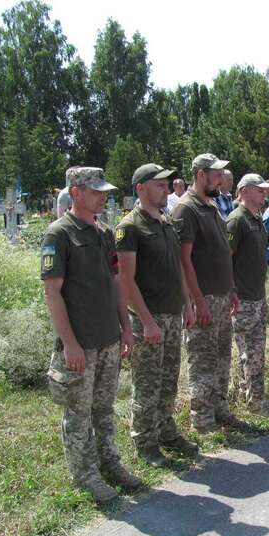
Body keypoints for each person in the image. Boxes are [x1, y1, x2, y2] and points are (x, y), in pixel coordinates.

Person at [41, 167, 140, 503]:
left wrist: (125, 326)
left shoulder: (103, 233)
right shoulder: (60, 234)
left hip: (108, 338)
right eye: (96, 191)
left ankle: (110, 463)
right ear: (77, 192)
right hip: (81, 342)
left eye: (104, 191)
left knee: (103, 409)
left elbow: (115, 282)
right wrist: (69, 343)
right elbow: (52, 293)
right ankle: (85, 476)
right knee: (78, 413)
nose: (103, 196)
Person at [115, 164, 199, 467]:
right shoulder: (130, 226)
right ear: (141, 188)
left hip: (172, 314)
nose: (166, 189)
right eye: (159, 185)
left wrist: (187, 303)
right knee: (147, 383)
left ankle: (166, 431)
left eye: (167, 185)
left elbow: (177, 265)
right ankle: (145, 442)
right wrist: (147, 321)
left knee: (168, 380)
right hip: (146, 318)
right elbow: (126, 279)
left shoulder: (164, 221)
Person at [172, 154, 243, 433]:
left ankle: (220, 409)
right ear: (201, 174)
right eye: (215, 174)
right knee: (202, 358)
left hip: (222, 296)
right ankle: (202, 418)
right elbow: (183, 259)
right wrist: (197, 300)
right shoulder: (185, 209)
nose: (221, 179)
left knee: (222, 355)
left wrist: (232, 289)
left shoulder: (210, 205)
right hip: (204, 298)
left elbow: (223, 252)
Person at [227, 173, 269, 417]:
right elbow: (225, 258)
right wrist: (231, 291)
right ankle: (256, 403)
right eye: (259, 190)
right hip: (243, 299)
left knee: (254, 352)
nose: (264, 194)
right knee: (252, 352)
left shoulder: (256, 219)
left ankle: (248, 396)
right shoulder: (237, 220)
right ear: (245, 190)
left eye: (265, 191)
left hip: (257, 296)